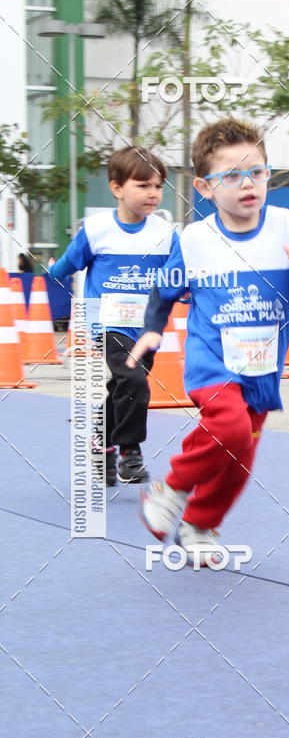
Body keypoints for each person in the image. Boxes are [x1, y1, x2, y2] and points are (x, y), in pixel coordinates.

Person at [127, 117, 289, 564]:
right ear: (205, 187)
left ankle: (201, 524)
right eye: (233, 176)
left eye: (257, 172)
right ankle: (172, 488)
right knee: (229, 427)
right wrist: (150, 331)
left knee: (240, 455)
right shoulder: (195, 239)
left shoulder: (288, 226)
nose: (249, 184)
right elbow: (164, 292)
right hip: (213, 360)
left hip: (262, 367)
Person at [48, 146, 177, 485]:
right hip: (108, 323)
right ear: (117, 188)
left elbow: (178, 277)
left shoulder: (165, 234)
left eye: (158, 186)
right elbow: (67, 264)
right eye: (143, 185)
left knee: (124, 387)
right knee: (132, 380)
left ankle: (101, 443)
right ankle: (130, 452)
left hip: (147, 327)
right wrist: (53, 270)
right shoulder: (96, 229)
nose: (153, 193)